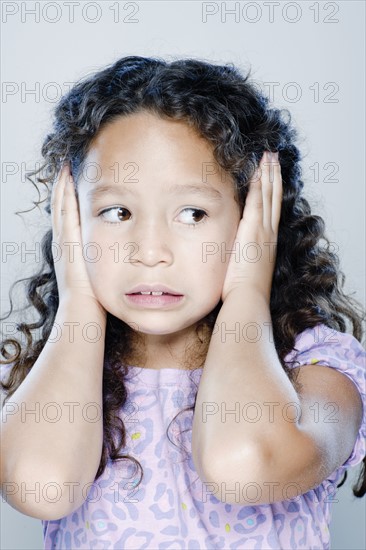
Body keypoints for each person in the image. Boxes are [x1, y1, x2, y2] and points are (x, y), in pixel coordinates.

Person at [0, 55, 365, 549]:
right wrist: (79, 301)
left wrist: (247, 292)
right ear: (72, 221)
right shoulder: (63, 375)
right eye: (116, 211)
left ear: (254, 217)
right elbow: (40, 487)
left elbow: (244, 465)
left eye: (193, 213)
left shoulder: (319, 370)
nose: (150, 252)